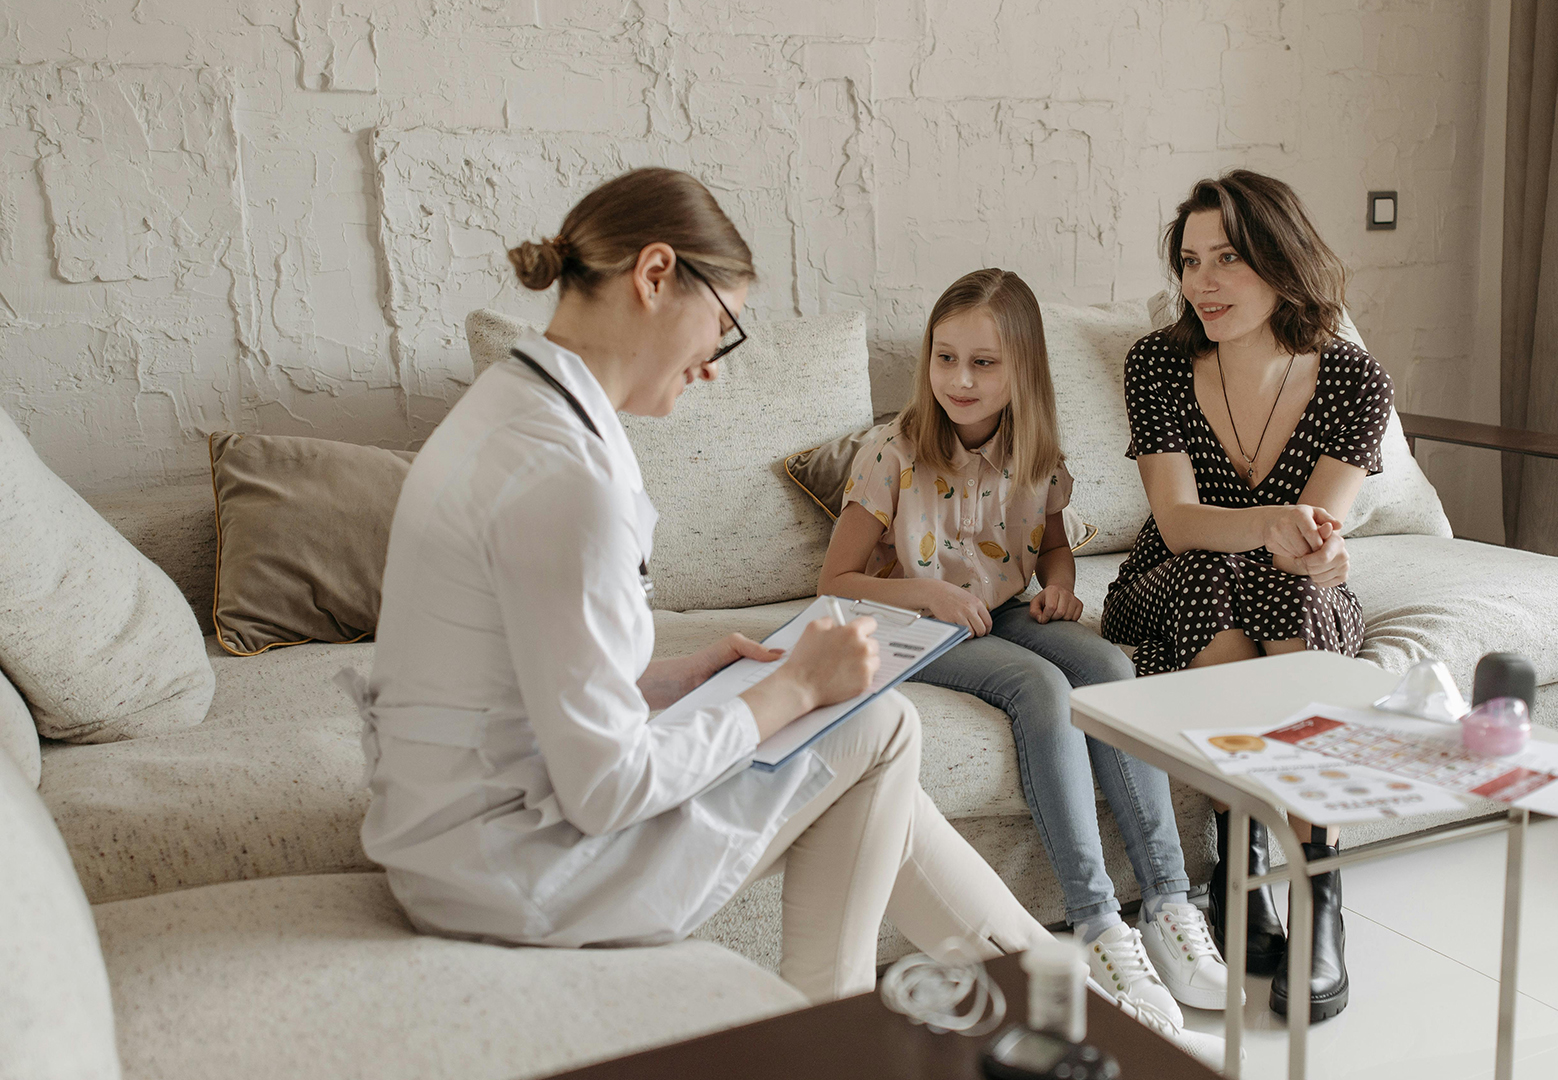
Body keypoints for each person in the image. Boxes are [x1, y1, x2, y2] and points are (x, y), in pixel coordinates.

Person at [344, 168, 1058, 1005]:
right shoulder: (566, 479)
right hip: (521, 872)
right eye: (722, 327)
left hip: (458, 841)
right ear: (654, 276)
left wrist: (673, 681)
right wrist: (791, 689)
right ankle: (858, 1027)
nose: (716, 368)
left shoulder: (508, 407)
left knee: (862, 750)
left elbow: (515, 680)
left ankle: (1052, 988)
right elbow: (609, 788)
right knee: (879, 724)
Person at [818, 269, 1233, 1025]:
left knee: (1108, 665)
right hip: (913, 623)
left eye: (984, 363)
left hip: (1003, 610)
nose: (960, 380)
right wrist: (930, 594)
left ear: (1024, 369)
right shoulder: (891, 452)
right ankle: (1097, 921)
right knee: (1040, 688)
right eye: (946, 358)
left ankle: (1170, 906)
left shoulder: (1035, 451)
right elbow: (836, 581)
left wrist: (1061, 589)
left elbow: (1052, 550)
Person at [1100, 170, 1394, 1023]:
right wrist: (1273, 524)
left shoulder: (1354, 380)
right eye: (1191, 262)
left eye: (1227, 258)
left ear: (1281, 258)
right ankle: (1245, 853)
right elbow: (1179, 524)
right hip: (1170, 582)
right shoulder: (1157, 363)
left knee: (1287, 590)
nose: (1204, 282)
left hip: (1290, 595)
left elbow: (1318, 536)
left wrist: (1322, 555)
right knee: (1212, 570)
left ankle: (1312, 890)